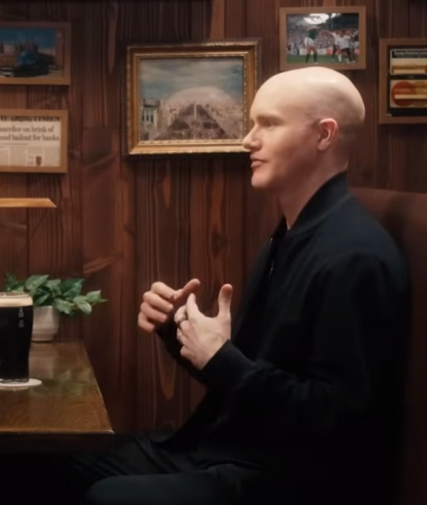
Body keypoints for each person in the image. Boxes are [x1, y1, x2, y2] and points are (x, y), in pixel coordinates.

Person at [76, 67, 411, 504]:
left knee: (108, 496)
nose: (248, 140)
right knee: (39, 459)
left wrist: (222, 358)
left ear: (324, 135)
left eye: (268, 124)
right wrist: (178, 330)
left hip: (284, 477)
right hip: (224, 449)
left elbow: (339, 418)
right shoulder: (292, 232)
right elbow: (249, 375)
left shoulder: (355, 256)